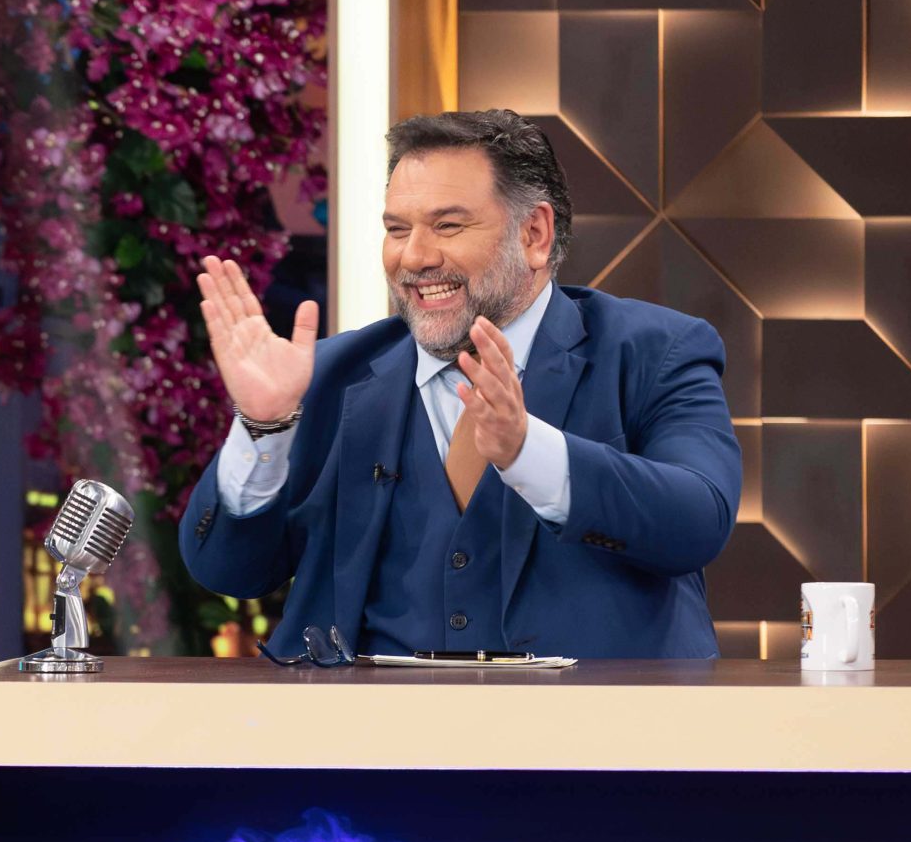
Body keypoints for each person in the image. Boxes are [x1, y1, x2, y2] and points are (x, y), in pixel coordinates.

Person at [182, 108, 740, 660]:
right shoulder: (327, 376)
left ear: (535, 234)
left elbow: (698, 521)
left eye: (447, 226)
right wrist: (263, 429)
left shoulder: (655, 352)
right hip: (371, 716)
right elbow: (228, 571)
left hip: (596, 714)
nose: (415, 257)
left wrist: (528, 452)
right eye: (397, 230)